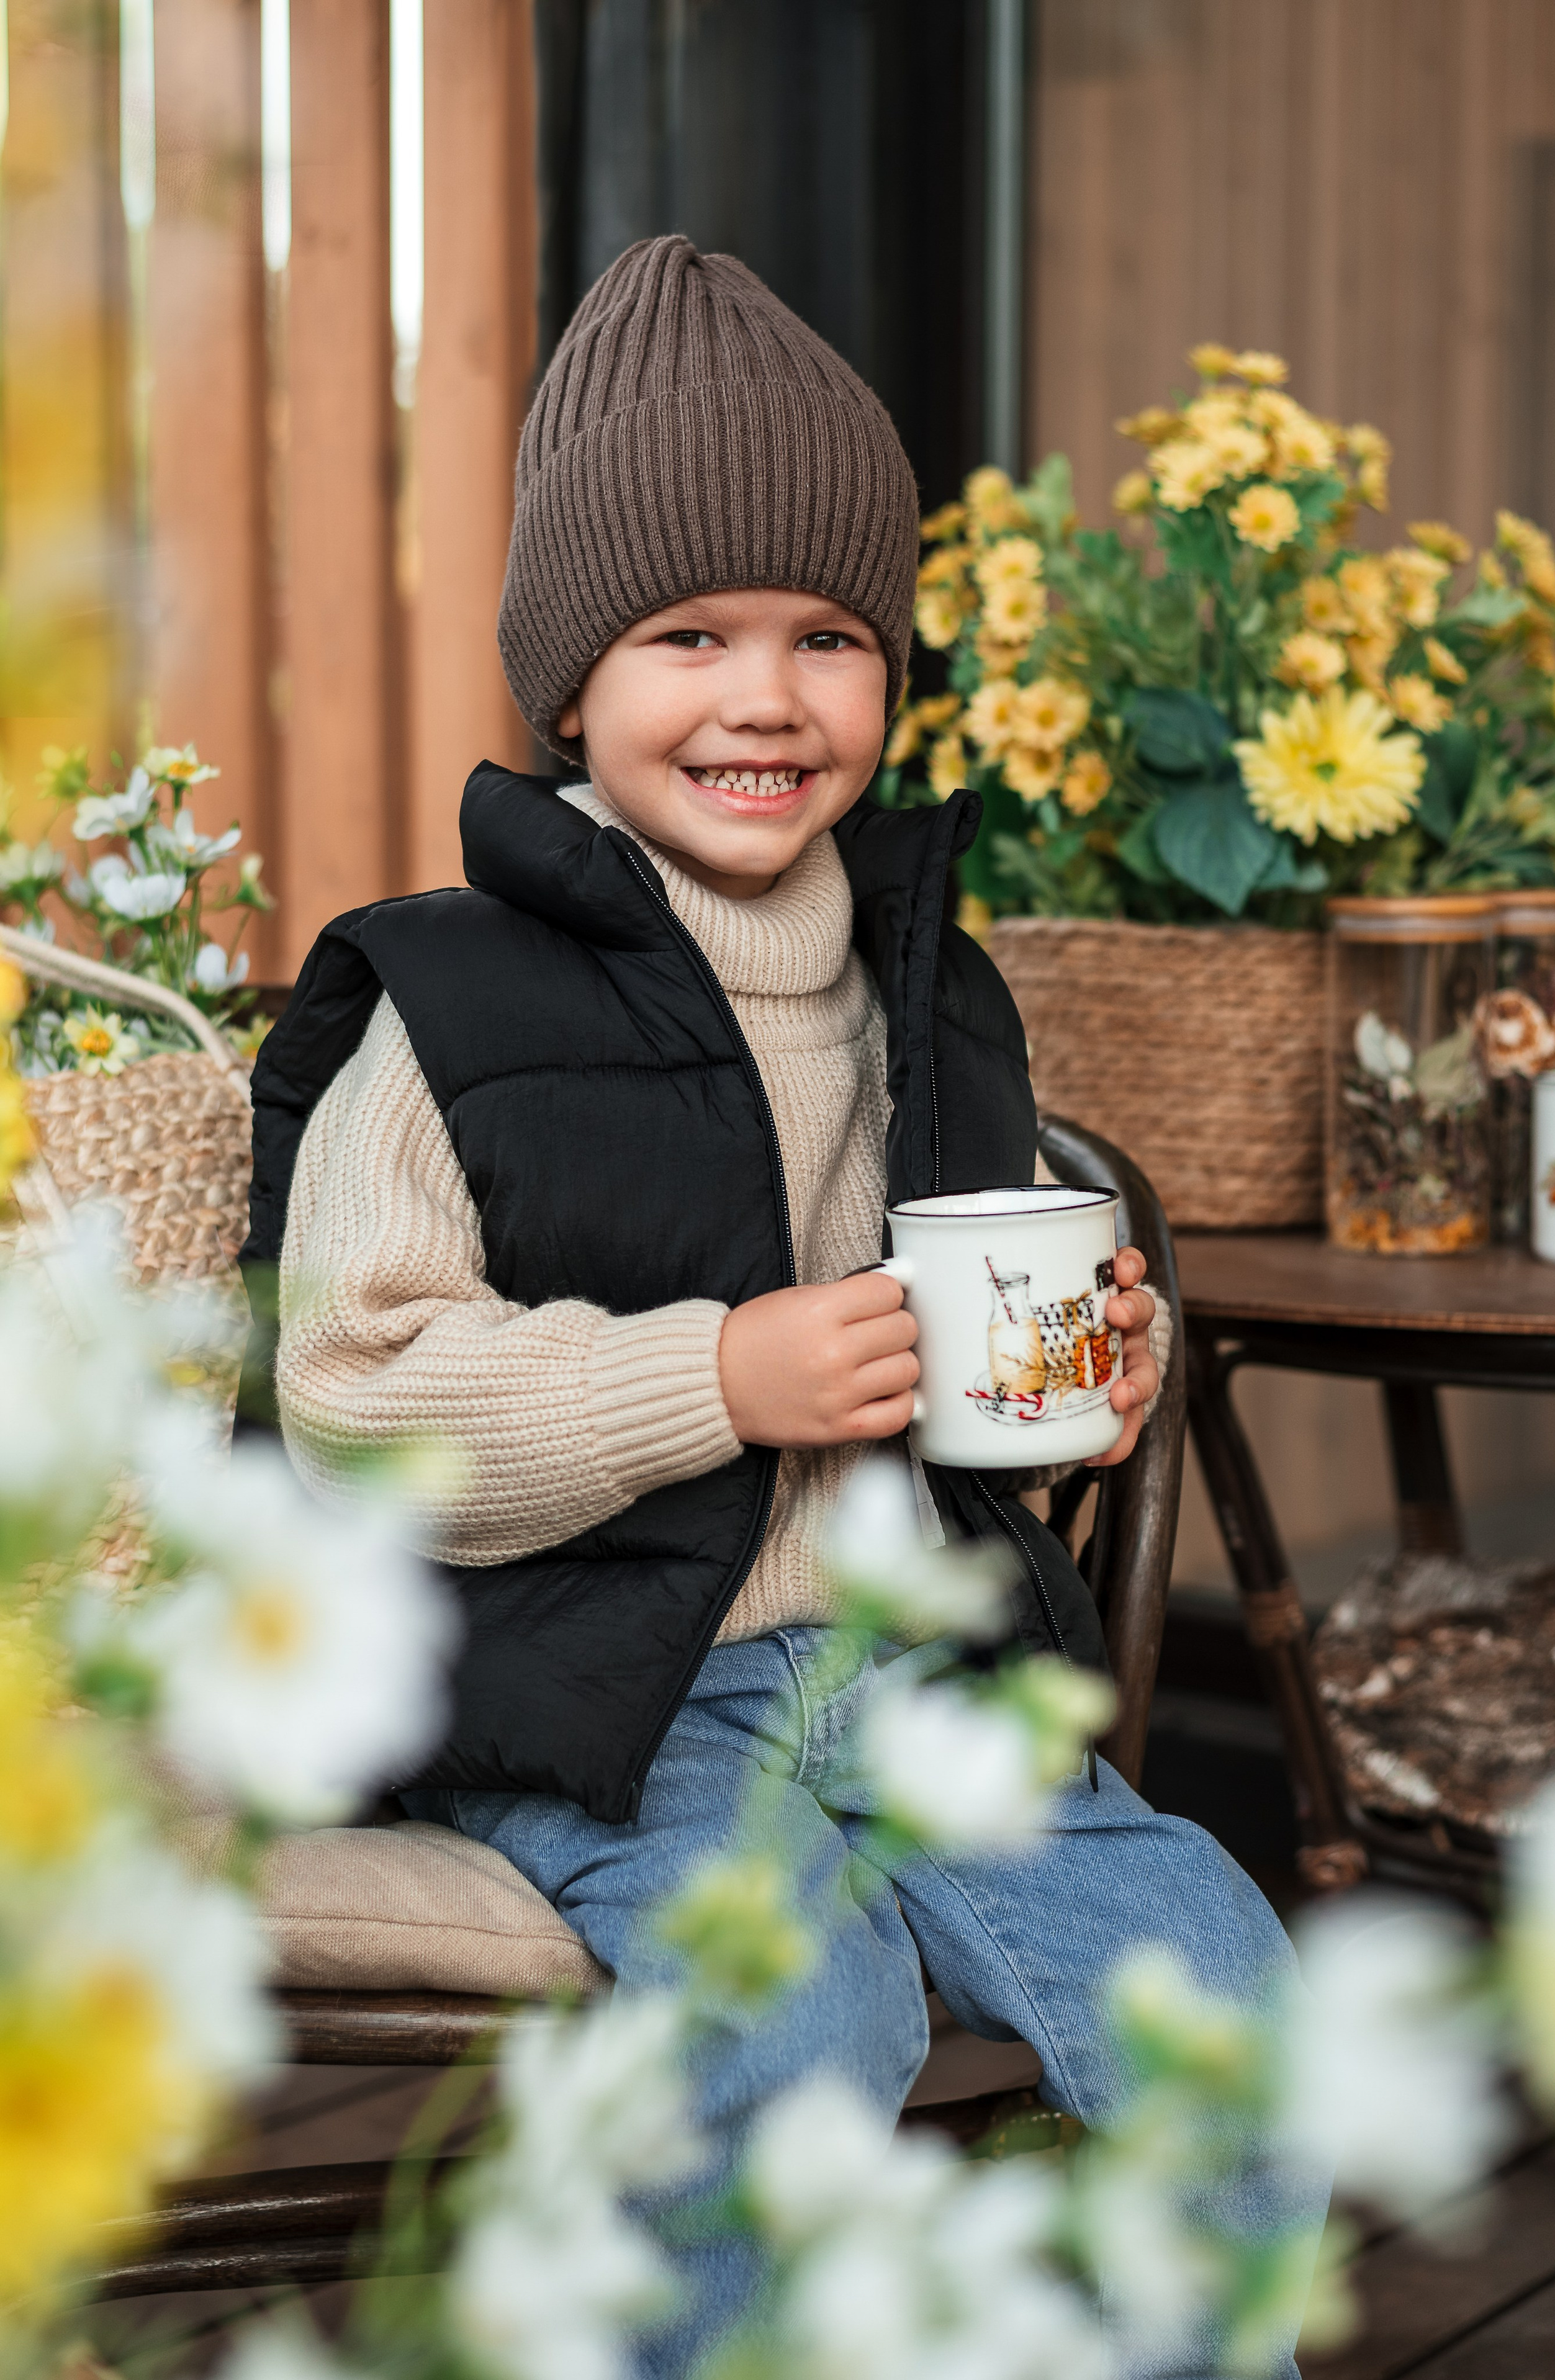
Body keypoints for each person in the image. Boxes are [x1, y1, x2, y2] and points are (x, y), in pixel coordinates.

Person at [247, 236, 1324, 2377]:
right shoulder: (452, 1002)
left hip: (900, 1667)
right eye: (690, 636)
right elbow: (354, 1392)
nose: (766, 696)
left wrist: (1083, 1375)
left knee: (1215, 1982)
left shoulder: (932, 984)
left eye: (830, 636)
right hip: (590, 1690)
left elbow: (983, 1298)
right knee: (791, 2014)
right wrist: (716, 1373)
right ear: (570, 681)